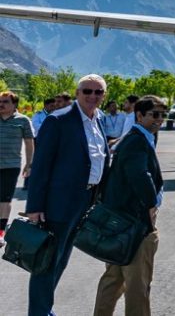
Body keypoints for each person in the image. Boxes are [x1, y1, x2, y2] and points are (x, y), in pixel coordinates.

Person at [27, 74, 110, 316]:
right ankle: (39, 312)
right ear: (77, 93)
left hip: (85, 201)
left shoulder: (99, 121)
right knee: (47, 262)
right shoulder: (59, 121)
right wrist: (34, 206)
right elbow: (41, 167)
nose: (92, 96)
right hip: (58, 203)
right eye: (87, 91)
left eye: (98, 92)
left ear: (104, 96)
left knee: (61, 259)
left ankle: (45, 308)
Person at [92, 96, 166, 316]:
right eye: (154, 114)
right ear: (139, 115)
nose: (159, 120)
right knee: (137, 283)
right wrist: (151, 205)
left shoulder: (136, 138)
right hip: (134, 223)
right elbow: (139, 175)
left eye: (162, 115)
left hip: (120, 222)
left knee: (113, 279)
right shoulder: (137, 140)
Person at [0, 91, 34, 246]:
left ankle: (1, 232)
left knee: (4, 200)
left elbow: (29, 143)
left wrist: (29, 163)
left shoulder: (23, 120)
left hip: (11, 166)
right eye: (0, 101)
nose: (1, 104)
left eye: (5, 101)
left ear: (14, 104)